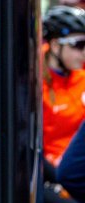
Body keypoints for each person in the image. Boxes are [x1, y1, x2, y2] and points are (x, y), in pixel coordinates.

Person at [43, 4, 85, 167]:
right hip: (50, 172)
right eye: (79, 45)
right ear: (54, 45)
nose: (84, 53)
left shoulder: (82, 78)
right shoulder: (35, 84)